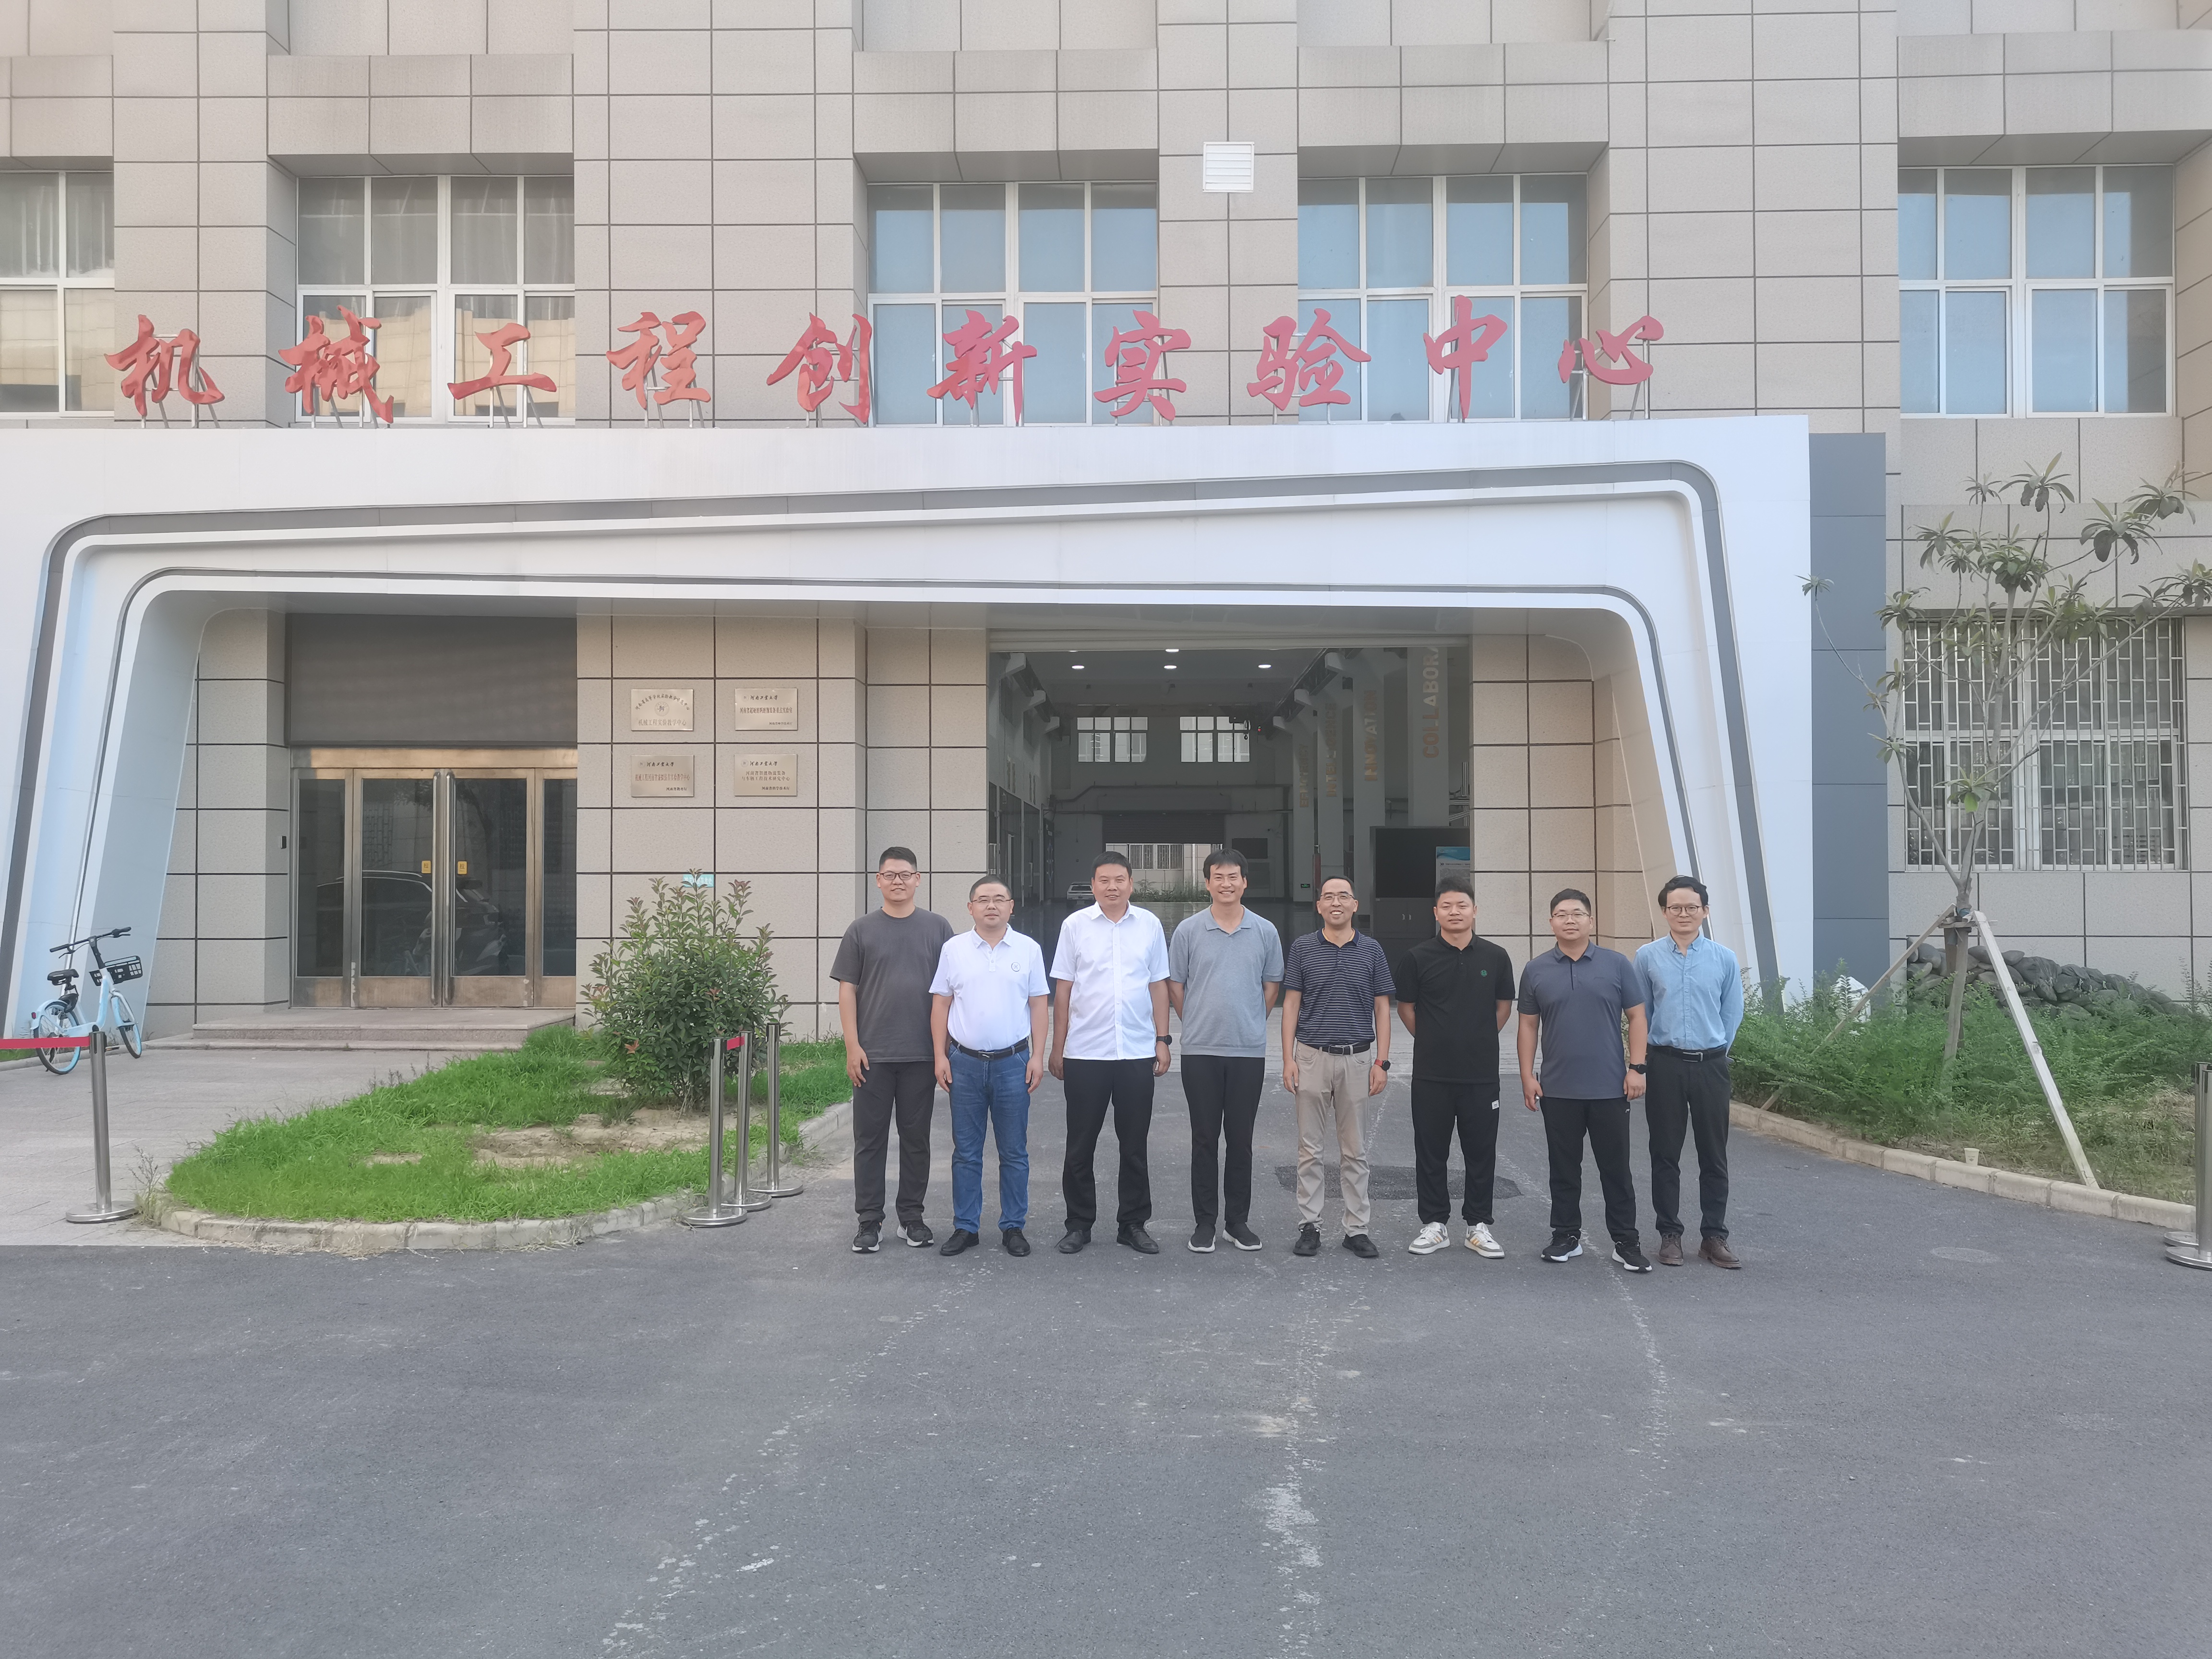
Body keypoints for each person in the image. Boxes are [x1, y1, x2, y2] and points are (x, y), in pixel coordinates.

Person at [1517, 889, 1653, 1272]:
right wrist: (1527, 1075)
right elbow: (1528, 1026)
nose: (1570, 920)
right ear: (1551, 923)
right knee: (1563, 1168)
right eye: (1562, 914)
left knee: (1616, 1169)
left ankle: (1626, 1242)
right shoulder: (1536, 970)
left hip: (1610, 1087)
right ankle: (1565, 1236)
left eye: (1577, 913)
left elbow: (1637, 1017)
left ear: (1591, 921)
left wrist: (1637, 1067)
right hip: (1558, 1088)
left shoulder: (1616, 964)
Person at [1048, 852, 1172, 1255]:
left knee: (1134, 1146)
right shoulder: (1075, 926)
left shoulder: (1149, 925)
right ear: (1094, 885)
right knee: (1079, 1145)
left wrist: (1163, 1039)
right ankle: (1078, 1225)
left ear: (1131, 884)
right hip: (1086, 1052)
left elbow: (1158, 985)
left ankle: (1132, 1224)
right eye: (1104, 880)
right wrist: (1057, 1047)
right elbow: (1063, 990)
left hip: (1136, 1051)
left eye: (1120, 880)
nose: (1112, 887)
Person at [831, 847, 953, 1253]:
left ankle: (912, 1218)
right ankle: (869, 1221)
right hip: (873, 1055)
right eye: (890, 875)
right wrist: (852, 1045)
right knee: (870, 1140)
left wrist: (943, 1049)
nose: (897, 881)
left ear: (918, 879)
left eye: (905, 875)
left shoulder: (938, 928)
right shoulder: (861, 930)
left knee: (916, 1140)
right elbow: (847, 989)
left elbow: (952, 991)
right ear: (878, 881)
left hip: (922, 1054)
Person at [1393, 875, 1516, 1258]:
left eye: (1462, 905)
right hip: (1432, 1074)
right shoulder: (1417, 957)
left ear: (1475, 910)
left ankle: (1478, 1225)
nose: (1455, 912)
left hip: (1481, 1074)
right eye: (1446, 906)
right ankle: (1434, 1224)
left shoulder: (1496, 957)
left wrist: (1478, 1037)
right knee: (1431, 1151)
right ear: (1436, 912)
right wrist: (1435, 1038)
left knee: (1481, 1151)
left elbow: (1503, 1007)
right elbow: (1406, 1008)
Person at [1168, 848, 1284, 1253]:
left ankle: (1237, 1222)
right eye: (1218, 877)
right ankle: (1205, 1223)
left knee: (1241, 1138)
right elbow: (1176, 986)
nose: (1226, 883)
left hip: (1247, 1051)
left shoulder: (1265, 931)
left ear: (1245, 882)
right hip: (1200, 1050)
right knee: (1204, 1138)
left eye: (1233, 876)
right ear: (1207, 883)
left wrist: (1250, 1021)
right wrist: (1196, 1021)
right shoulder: (1188, 931)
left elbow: (1272, 986)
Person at [929, 876, 1050, 1259]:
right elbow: (941, 1004)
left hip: (1013, 1063)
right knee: (966, 1151)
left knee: (1014, 1151)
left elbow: (1038, 1004)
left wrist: (1038, 1056)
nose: (991, 906)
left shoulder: (1028, 949)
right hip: (963, 1063)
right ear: (971, 908)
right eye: (983, 900)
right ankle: (966, 1227)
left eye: (999, 899)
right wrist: (940, 1056)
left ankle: (1013, 1226)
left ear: (1011, 907)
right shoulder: (954, 949)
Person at [1281, 876, 1395, 1260]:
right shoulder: (1303, 948)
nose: (1336, 903)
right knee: (1309, 1149)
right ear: (1319, 906)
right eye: (1328, 897)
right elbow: (1291, 1004)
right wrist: (1288, 1059)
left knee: (1355, 1150)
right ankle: (1309, 1226)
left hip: (1358, 1059)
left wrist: (1381, 1062)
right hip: (1311, 1057)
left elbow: (1383, 1008)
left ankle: (1356, 1229)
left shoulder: (1372, 950)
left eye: (1343, 896)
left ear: (1355, 904)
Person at [1634, 876, 1745, 1269]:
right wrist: (1643, 1062)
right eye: (1676, 908)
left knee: (1714, 1155)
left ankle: (1714, 1236)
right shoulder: (1646, 957)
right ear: (1665, 912)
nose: (1684, 914)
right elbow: (1642, 1013)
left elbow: (1732, 1013)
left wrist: (1714, 1052)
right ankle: (1670, 1234)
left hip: (1711, 1066)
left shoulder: (1724, 958)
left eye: (1692, 907)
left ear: (1705, 911)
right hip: (1664, 1064)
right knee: (1665, 1153)